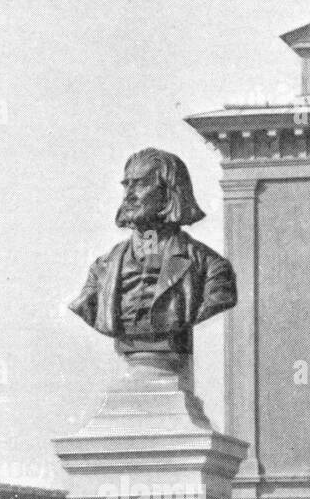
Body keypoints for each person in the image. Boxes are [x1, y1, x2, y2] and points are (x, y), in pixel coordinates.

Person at [68, 148, 237, 356]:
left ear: (169, 192)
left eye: (140, 184)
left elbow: (218, 298)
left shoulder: (212, 268)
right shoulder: (102, 269)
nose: (129, 194)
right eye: (126, 184)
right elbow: (87, 305)